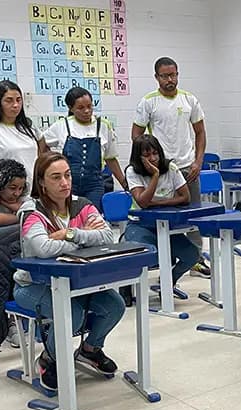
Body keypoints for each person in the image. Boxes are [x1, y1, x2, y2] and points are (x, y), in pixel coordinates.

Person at [13, 152, 125, 393]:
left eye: (67, 175)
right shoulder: (31, 211)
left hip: (76, 283)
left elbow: (107, 236)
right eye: (56, 177)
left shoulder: (82, 204)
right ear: (41, 182)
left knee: (115, 305)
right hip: (32, 286)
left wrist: (69, 234)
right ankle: (49, 359)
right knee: (70, 313)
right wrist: (85, 237)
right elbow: (43, 249)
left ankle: (89, 350)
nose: (65, 182)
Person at [131, 56, 210, 278]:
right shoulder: (148, 102)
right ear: (157, 77)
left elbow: (200, 132)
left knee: (193, 216)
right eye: (165, 76)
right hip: (162, 169)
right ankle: (165, 256)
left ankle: (195, 258)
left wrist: (198, 160)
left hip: (187, 167)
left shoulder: (189, 100)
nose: (170, 79)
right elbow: (136, 136)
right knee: (160, 213)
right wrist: (148, 164)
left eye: (173, 75)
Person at [122, 134, 198, 288]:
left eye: (155, 153)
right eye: (147, 155)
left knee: (192, 255)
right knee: (149, 255)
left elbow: (185, 197)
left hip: (165, 226)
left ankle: (168, 282)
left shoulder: (171, 168)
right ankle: (126, 287)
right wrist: (155, 175)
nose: (153, 158)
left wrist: (157, 203)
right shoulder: (132, 171)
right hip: (140, 225)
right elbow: (142, 202)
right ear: (138, 157)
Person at [39, 87, 127, 211]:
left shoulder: (103, 125)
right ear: (71, 108)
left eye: (90, 106)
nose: (87, 111)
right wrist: (47, 165)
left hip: (94, 185)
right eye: (80, 108)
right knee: (69, 217)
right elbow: (41, 142)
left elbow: (111, 158)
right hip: (68, 184)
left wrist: (124, 183)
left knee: (92, 218)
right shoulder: (62, 125)